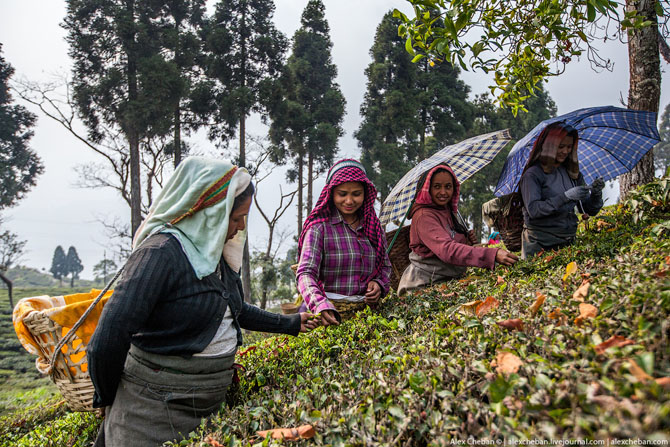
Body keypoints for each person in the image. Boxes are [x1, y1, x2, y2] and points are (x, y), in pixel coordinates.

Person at [88, 157, 319, 447]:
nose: (240, 226)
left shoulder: (216, 255)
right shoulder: (159, 254)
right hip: (151, 410)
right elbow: (108, 337)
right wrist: (108, 398)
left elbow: (231, 311)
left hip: (209, 408)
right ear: (210, 213)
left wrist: (290, 322)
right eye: (235, 218)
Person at [296, 159, 391, 325]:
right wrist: (319, 303)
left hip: (368, 315)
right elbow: (305, 274)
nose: (349, 201)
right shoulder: (319, 229)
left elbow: (385, 266)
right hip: (329, 314)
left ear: (365, 194)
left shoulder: (373, 227)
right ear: (332, 193)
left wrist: (379, 284)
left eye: (356, 194)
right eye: (342, 194)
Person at [398, 164, 518, 294]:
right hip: (423, 285)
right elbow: (447, 250)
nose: (443, 192)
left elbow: (452, 242)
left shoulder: (446, 210)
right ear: (428, 189)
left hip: (448, 279)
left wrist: (467, 241)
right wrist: (492, 254)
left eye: (448, 187)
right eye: (437, 187)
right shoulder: (423, 216)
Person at [519, 122, 604, 259]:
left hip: (567, 241)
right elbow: (534, 210)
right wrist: (565, 197)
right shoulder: (533, 174)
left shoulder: (573, 173)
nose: (565, 151)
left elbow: (588, 209)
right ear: (549, 146)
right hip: (539, 243)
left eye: (569, 147)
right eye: (561, 146)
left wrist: (596, 194)